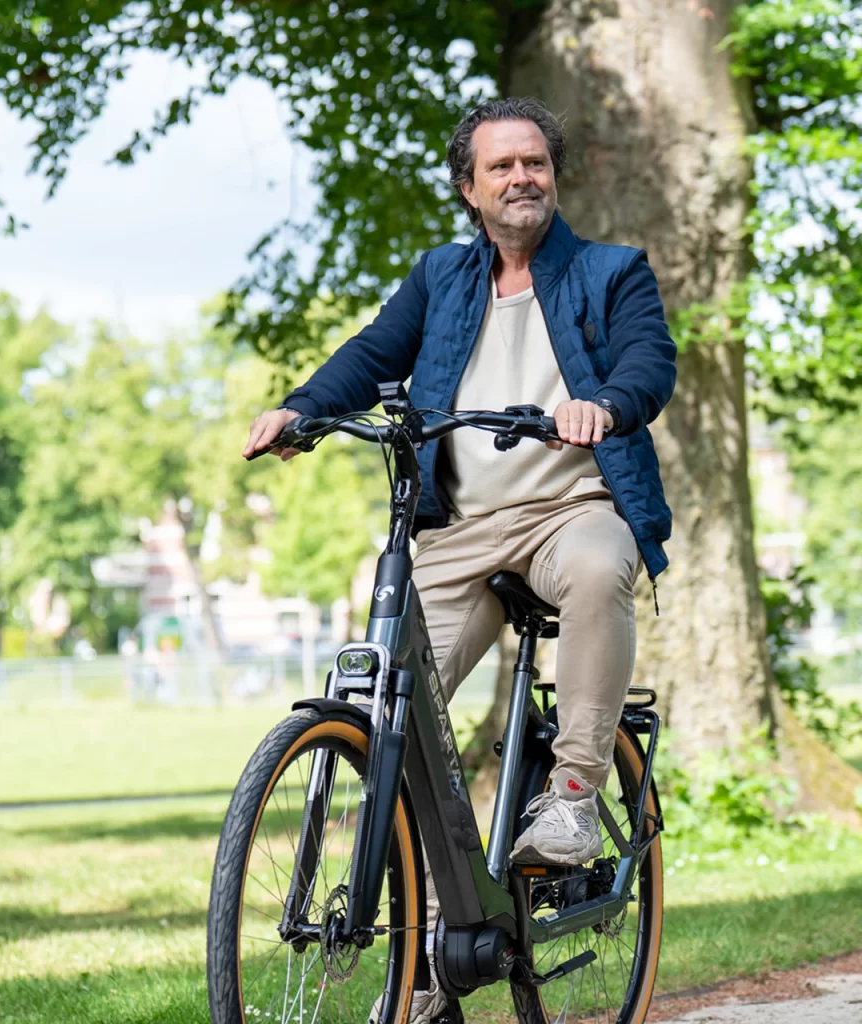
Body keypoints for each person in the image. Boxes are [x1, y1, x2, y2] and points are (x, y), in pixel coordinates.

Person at [243, 97, 676, 1023]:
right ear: (469, 187)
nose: (524, 178)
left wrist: (606, 404)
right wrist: (302, 409)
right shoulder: (441, 278)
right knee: (390, 715)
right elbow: (372, 353)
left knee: (604, 570)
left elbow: (650, 363)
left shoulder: (610, 273)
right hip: (458, 528)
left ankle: (569, 791)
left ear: (553, 176)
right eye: (503, 167)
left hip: (572, 506)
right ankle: (443, 930)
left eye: (536, 163)